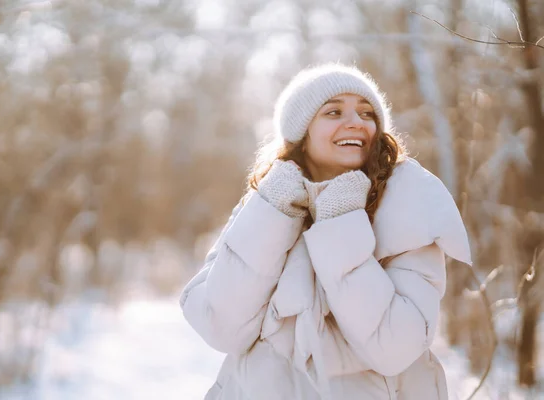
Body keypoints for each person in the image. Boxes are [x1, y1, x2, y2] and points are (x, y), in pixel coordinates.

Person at [179, 63, 472, 400]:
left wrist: (339, 221)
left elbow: (395, 346)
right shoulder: (263, 202)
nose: (356, 122)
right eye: (334, 111)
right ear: (301, 133)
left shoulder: (410, 204)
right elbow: (221, 327)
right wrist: (274, 211)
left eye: (367, 113)